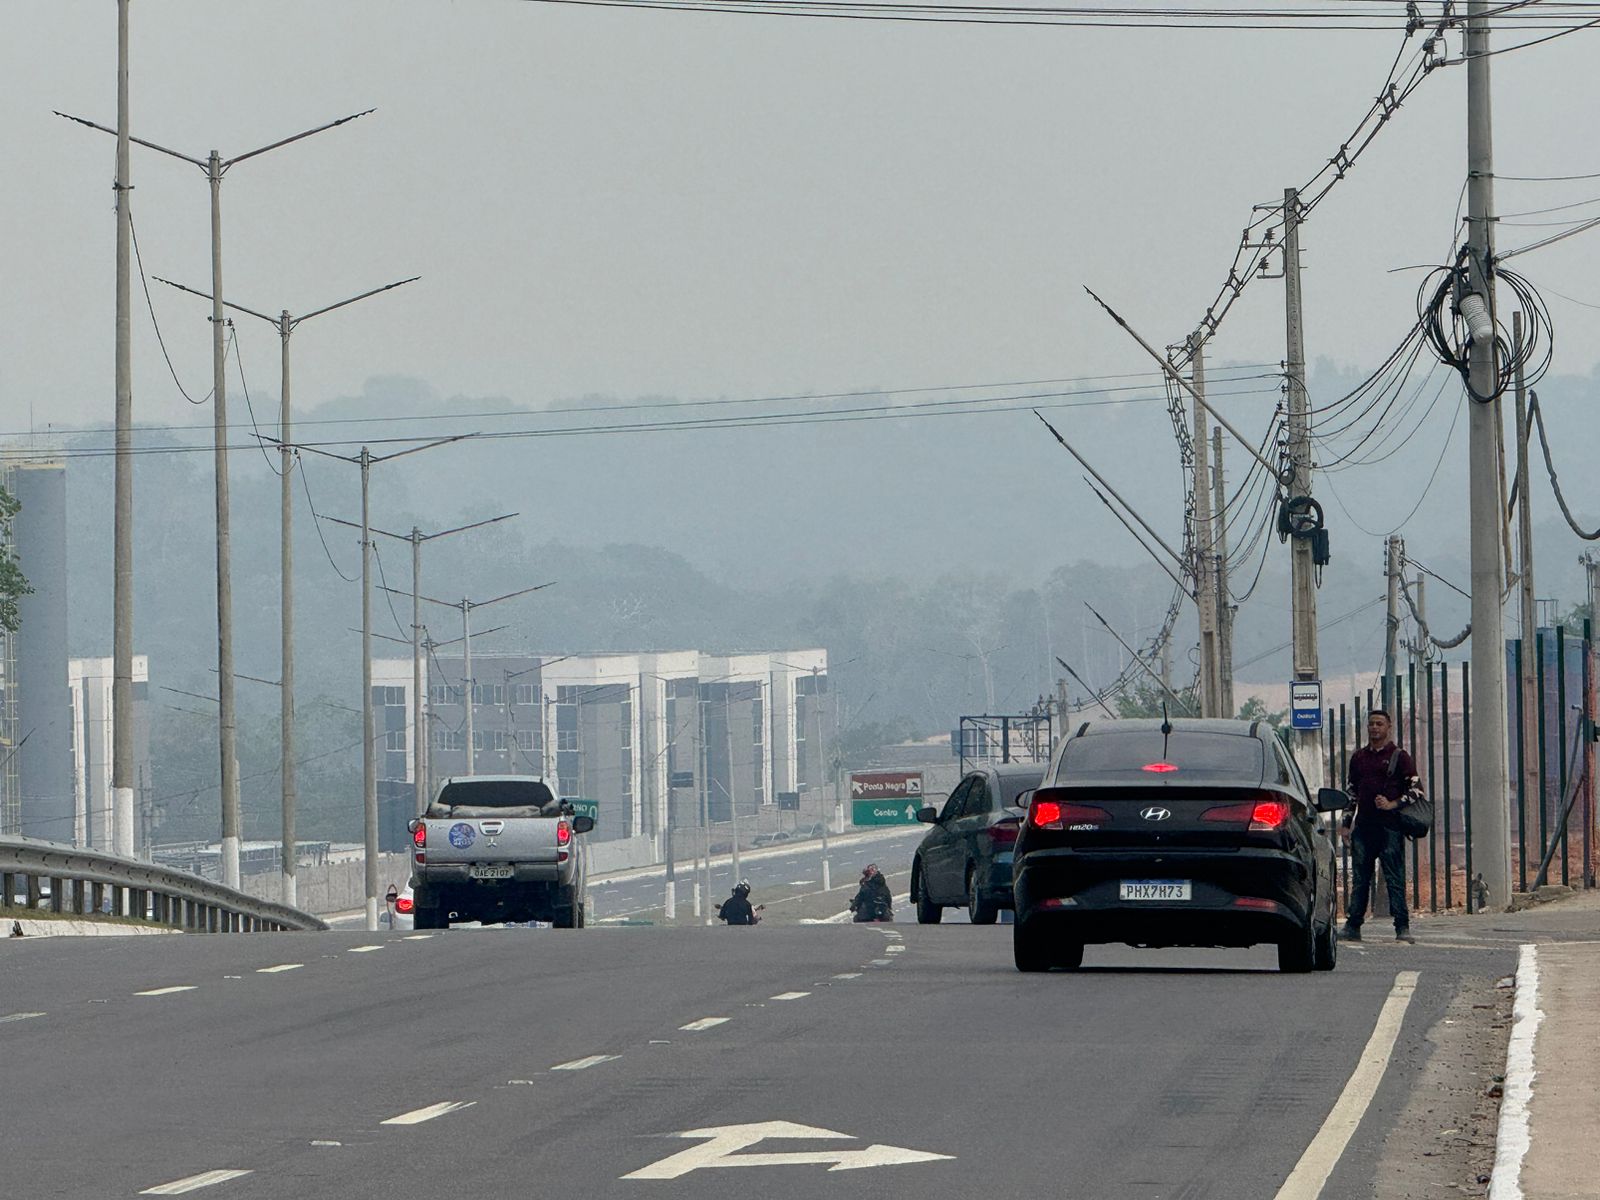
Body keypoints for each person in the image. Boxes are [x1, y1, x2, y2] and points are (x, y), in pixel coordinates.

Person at [1341, 708, 1418, 944]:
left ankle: (1402, 927)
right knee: (1361, 878)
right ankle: (1354, 925)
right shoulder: (1359, 758)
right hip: (1364, 827)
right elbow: (1351, 792)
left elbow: (1416, 790)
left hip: (1390, 828)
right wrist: (1346, 823)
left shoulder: (1400, 757)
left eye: (1379, 724)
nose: (1375, 728)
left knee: (1394, 878)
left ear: (1389, 727)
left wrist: (1393, 803)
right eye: (1371, 724)